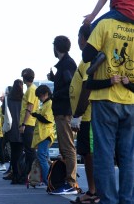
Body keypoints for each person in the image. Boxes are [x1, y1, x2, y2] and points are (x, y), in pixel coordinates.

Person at [82, 17, 134, 204]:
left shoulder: (105, 24)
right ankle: (128, 200)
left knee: (104, 154)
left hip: (105, 100)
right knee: (128, 157)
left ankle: (109, 201)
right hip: (130, 102)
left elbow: (86, 55)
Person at [69, 25, 99, 204]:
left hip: (87, 116)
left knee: (90, 155)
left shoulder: (88, 57)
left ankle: (94, 192)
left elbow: (87, 89)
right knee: (87, 154)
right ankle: (93, 191)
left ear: (84, 38)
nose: (78, 41)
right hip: (85, 116)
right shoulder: (85, 59)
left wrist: (77, 115)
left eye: (78, 37)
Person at [47, 35, 78, 195]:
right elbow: (67, 83)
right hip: (62, 111)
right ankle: (68, 182)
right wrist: (54, 79)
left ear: (56, 48)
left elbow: (70, 87)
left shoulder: (66, 64)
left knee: (68, 148)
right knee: (66, 148)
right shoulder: (65, 64)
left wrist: (55, 94)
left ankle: (71, 183)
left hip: (64, 111)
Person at [30, 85, 55, 186]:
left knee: (41, 157)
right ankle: (51, 178)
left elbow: (47, 119)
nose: (39, 99)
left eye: (40, 96)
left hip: (46, 135)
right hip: (42, 135)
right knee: (46, 157)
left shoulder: (49, 103)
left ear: (45, 94)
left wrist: (36, 115)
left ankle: (47, 180)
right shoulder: (44, 104)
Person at [2, 79, 24, 185]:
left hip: (11, 130)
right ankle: (20, 176)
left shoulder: (8, 99)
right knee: (20, 154)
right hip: (22, 129)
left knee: (14, 155)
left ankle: (15, 175)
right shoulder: (24, 98)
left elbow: (3, 112)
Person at [20, 68, 39, 176]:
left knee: (30, 151)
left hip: (29, 123)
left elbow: (30, 107)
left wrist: (23, 124)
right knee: (28, 151)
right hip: (29, 123)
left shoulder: (31, 89)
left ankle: (33, 175)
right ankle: (29, 174)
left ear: (23, 77)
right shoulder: (30, 89)